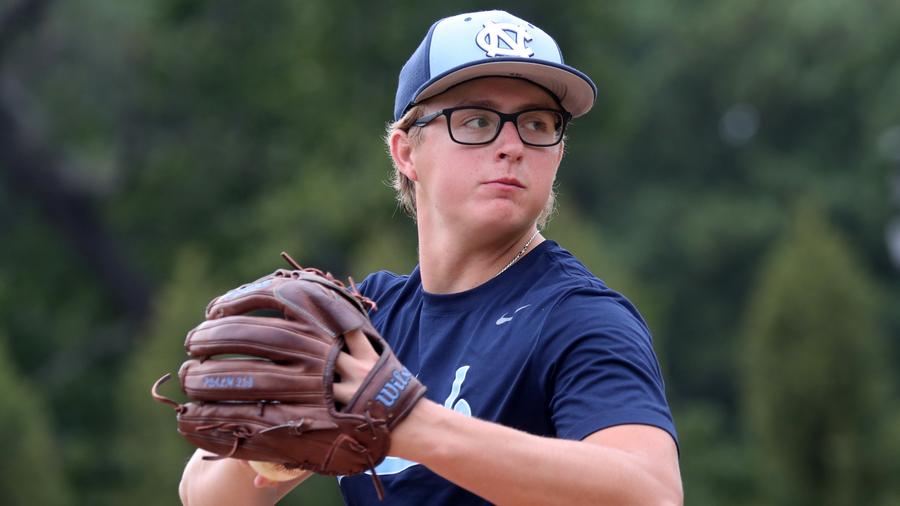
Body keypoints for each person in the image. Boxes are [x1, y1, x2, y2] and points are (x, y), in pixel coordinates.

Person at [179, 9, 682, 506]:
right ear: (406, 152)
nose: (512, 145)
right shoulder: (365, 322)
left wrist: (411, 421)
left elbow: (651, 493)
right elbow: (206, 497)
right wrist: (282, 441)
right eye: (478, 120)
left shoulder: (579, 318)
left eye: (536, 123)